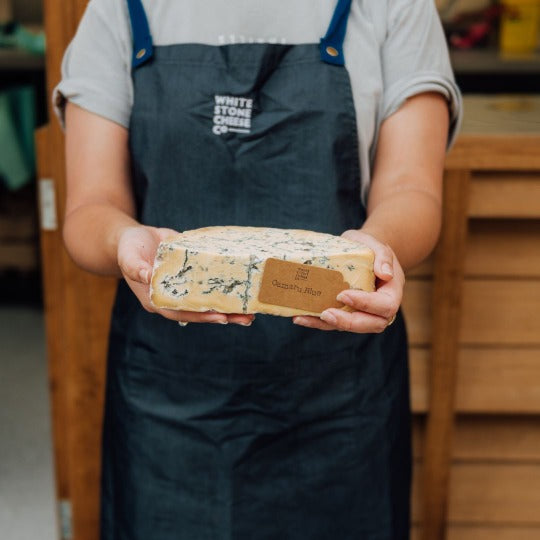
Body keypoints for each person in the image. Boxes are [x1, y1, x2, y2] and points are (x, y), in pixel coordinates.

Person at [54, 0, 461, 538]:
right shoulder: (121, 10)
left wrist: (376, 250)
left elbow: (412, 189)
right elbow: (90, 208)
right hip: (169, 402)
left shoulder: (391, 7)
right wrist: (123, 239)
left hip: (339, 403)